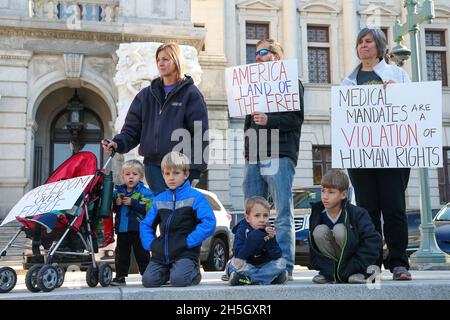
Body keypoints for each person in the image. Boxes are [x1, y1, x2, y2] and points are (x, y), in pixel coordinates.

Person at [341, 27, 412, 280]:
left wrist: (398, 95)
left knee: (394, 207)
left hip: (393, 154)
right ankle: (371, 261)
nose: (363, 46)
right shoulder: (348, 82)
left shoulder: (397, 74)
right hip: (361, 155)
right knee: (367, 209)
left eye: (368, 41)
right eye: (360, 42)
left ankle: (398, 262)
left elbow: (413, 111)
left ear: (380, 46)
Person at [102, 42, 209, 195]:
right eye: (158, 59)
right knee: (162, 211)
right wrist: (118, 143)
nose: (160, 63)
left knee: (176, 214)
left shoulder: (192, 94)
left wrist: (195, 170)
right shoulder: (146, 95)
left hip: (179, 168)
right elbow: (132, 129)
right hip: (152, 166)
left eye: (165, 59)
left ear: (176, 61)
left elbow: (199, 134)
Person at [243, 39, 304, 280]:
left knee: (281, 213)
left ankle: (285, 266)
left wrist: (270, 120)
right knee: (253, 213)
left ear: (277, 57)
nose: (257, 57)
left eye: (263, 52)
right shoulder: (253, 86)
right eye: (256, 53)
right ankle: (252, 263)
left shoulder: (291, 84)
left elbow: (296, 120)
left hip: (279, 154)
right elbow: (248, 123)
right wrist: (247, 152)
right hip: (254, 156)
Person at [140, 151, 216, 287]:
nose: (171, 178)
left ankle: (193, 271)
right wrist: (151, 245)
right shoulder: (159, 199)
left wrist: (189, 241)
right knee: (148, 281)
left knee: (178, 281)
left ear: (185, 175)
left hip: (185, 252)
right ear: (162, 175)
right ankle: (171, 271)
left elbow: (209, 222)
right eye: (167, 173)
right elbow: (146, 225)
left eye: (176, 173)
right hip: (162, 253)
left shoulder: (195, 197)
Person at [309, 169, 382, 284]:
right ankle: (331, 273)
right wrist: (324, 268)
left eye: (331, 192)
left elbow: (372, 243)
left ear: (343, 195)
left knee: (340, 229)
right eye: (323, 191)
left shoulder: (358, 213)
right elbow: (313, 248)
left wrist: (359, 266)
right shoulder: (317, 213)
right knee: (319, 231)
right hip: (332, 264)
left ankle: (355, 273)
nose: (325, 196)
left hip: (355, 264)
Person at [111, 159, 154, 286]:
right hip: (123, 229)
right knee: (121, 254)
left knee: (142, 254)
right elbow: (113, 209)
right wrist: (116, 203)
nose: (131, 177)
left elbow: (149, 207)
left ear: (140, 177)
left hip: (139, 229)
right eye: (128, 174)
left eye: (134, 174)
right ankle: (120, 277)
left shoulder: (144, 191)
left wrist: (133, 202)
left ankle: (147, 275)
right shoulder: (118, 191)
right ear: (123, 176)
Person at [227, 196, 287, 286]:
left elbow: (276, 255)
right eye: (257, 216)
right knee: (234, 263)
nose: (262, 220)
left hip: (263, 265)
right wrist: (254, 237)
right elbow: (239, 254)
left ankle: (247, 280)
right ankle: (269, 279)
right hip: (247, 264)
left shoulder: (268, 230)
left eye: (265, 215)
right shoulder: (242, 230)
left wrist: (271, 240)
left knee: (281, 263)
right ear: (247, 218)